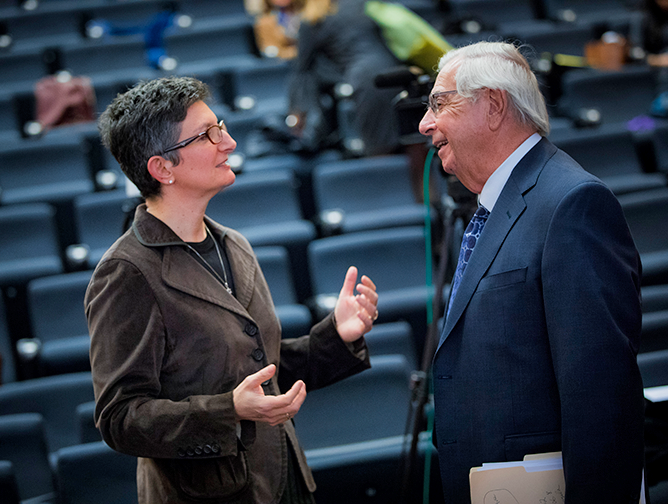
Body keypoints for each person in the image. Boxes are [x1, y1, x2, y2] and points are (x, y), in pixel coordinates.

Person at [85, 76, 379, 504]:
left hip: (283, 480)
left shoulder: (232, 243)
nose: (229, 143)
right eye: (208, 135)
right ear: (161, 168)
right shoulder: (126, 272)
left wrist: (337, 335)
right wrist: (229, 411)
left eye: (219, 126)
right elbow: (120, 419)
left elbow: (259, 371)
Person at [418, 42, 645, 503]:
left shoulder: (572, 204)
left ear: (495, 105)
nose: (425, 124)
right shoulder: (495, 204)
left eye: (440, 103)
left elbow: (600, 398)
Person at [286, 0, 402, 155]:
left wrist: (298, 118)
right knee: (413, 149)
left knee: (380, 157)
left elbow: (301, 70)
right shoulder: (359, 4)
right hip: (397, 70)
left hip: (366, 81)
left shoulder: (312, 20)